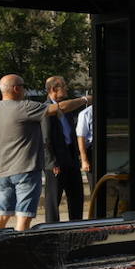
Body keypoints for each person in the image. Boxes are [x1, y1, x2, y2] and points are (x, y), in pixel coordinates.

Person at [0, 74, 90, 232]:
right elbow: (59, 109)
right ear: (16, 89)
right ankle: (21, 250)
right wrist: (85, 100)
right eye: (24, 86)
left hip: (1, 172)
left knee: (1, 216)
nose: (25, 90)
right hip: (25, 171)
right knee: (24, 217)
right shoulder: (24, 107)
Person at [43, 76, 86, 222]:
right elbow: (45, 139)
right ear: (54, 89)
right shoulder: (46, 109)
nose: (67, 89)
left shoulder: (67, 107)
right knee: (53, 200)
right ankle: (51, 229)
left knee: (76, 196)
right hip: (56, 161)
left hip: (71, 157)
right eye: (64, 86)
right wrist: (52, 162)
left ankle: (76, 226)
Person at [75, 101, 95, 190]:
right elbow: (80, 137)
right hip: (92, 151)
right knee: (94, 184)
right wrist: (84, 160)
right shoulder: (86, 113)